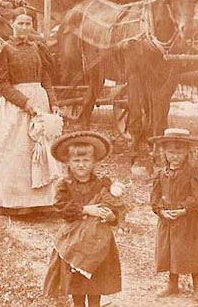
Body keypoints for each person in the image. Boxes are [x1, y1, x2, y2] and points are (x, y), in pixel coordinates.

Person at [0, 14, 62, 215]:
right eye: (20, 23)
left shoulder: (37, 48)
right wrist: (24, 102)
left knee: (41, 149)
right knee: (16, 150)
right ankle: (14, 203)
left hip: (40, 101)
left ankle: (42, 202)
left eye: (28, 24)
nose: (24, 27)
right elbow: (1, 83)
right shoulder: (5, 49)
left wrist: (53, 103)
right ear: (12, 25)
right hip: (16, 106)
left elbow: (46, 79)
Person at [43, 131, 125, 307]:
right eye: (76, 161)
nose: (81, 165)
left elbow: (114, 206)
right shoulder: (64, 185)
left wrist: (111, 217)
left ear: (94, 162)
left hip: (98, 241)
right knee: (77, 281)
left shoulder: (102, 184)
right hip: (74, 239)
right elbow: (61, 208)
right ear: (68, 163)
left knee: (95, 279)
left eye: (86, 161)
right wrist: (85, 209)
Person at [148, 128, 198, 300]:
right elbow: (154, 196)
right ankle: (172, 285)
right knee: (170, 252)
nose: (175, 156)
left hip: (188, 220)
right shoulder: (161, 173)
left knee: (192, 253)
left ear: (187, 152)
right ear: (164, 153)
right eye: (171, 152)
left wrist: (185, 209)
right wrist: (160, 210)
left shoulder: (193, 172)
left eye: (179, 152)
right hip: (168, 219)